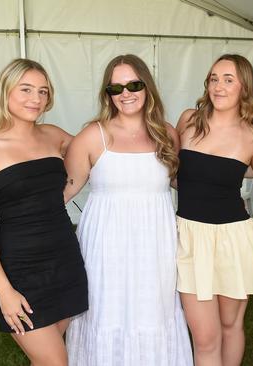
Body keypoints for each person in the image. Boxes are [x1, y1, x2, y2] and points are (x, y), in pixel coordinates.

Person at [63, 54, 193, 366]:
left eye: (134, 84)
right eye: (116, 88)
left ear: (147, 86)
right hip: (105, 247)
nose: (126, 93)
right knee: (105, 309)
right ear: (107, 93)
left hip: (156, 245)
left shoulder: (166, 134)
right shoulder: (93, 136)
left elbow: (181, 182)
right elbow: (63, 192)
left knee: (154, 310)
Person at [0, 58, 88, 365]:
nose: (36, 99)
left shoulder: (53, 135)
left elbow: (96, 153)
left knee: (47, 357)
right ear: (6, 92)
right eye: (27, 89)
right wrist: (4, 291)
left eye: (43, 92)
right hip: (20, 269)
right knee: (56, 362)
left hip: (64, 259)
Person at [175, 54, 253, 366]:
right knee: (205, 337)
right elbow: (171, 173)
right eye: (214, 78)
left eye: (228, 79)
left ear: (245, 87)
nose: (218, 86)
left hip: (233, 238)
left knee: (231, 326)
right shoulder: (189, 120)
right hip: (189, 237)